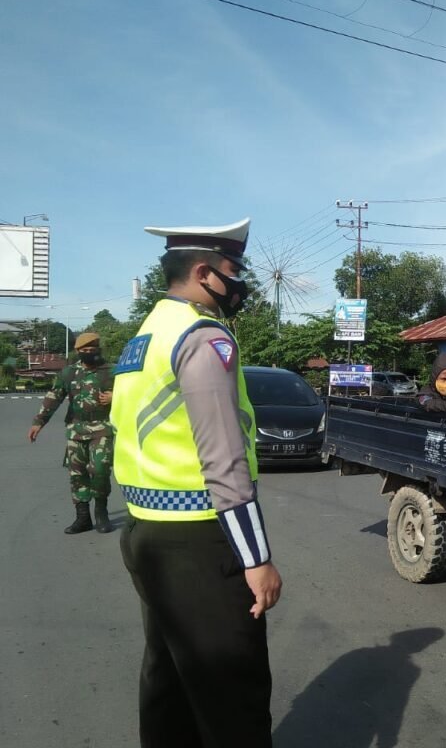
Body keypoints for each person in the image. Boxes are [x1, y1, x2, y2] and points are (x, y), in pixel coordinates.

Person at [111, 217, 282, 748]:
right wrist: (256, 559)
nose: (239, 284)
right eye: (234, 271)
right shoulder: (203, 336)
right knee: (234, 698)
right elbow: (224, 458)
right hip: (200, 539)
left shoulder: (144, 337)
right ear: (205, 273)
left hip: (146, 531)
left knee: (170, 687)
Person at [28, 331, 115, 534]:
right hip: (75, 430)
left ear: (99, 350)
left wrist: (117, 395)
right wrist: (38, 422)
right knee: (77, 474)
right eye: (84, 350)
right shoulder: (68, 373)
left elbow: (134, 392)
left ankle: (101, 513)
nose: (89, 353)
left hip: (102, 429)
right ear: (77, 351)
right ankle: (82, 517)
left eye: (93, 350)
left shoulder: (113, 371)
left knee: (100, 470)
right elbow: (54, 397)